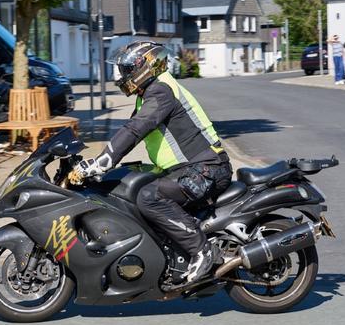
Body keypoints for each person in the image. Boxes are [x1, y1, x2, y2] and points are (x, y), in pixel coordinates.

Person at [73, 41, 233, 284]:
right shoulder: (149, 94)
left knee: (149, 197)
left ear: (146, 67)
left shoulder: (161, 90)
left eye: (127, 69)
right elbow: (128, 133)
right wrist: (99, 163)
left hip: (206, 168)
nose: (123, 75)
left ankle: (201, 250)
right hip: (189, 169)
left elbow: (136, 129)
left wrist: (102, 161)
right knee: (128, 181)